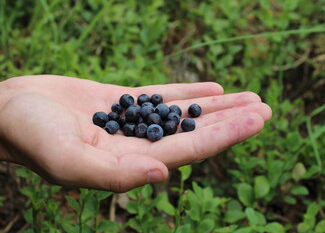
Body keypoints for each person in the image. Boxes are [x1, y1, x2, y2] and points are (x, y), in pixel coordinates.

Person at [0, 75, 272, 192]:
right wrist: (7, 104)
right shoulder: (131, 117)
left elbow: (150, 121)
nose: (150, 129)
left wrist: (7, 100)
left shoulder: (153, 118)